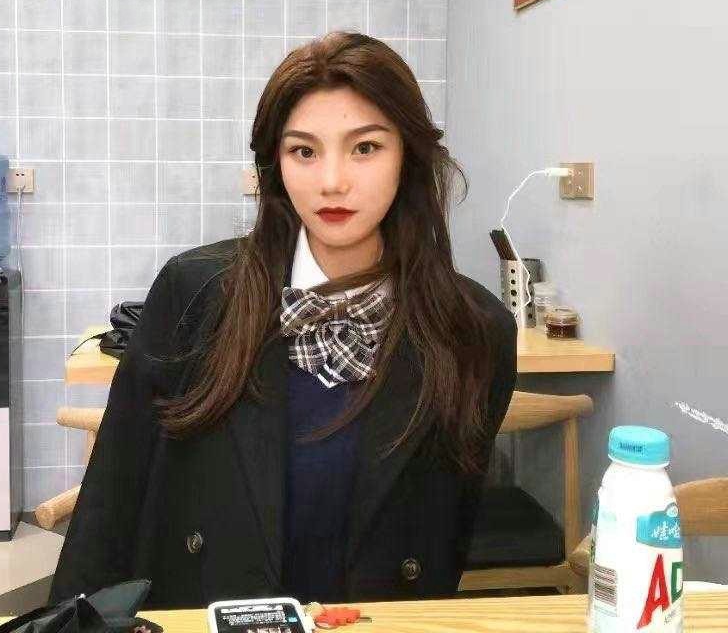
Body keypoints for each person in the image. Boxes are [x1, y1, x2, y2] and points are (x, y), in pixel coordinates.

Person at [49, 31, 518, 611]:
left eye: (365, 147)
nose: (332, 181)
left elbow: (443, 538)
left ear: (408, 156)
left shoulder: (475, 330)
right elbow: (111, 504)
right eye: (304, 152)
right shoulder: (194, 293)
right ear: (276, 164)